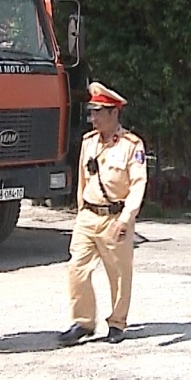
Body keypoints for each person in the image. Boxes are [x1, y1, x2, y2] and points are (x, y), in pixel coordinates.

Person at [59, 82, 147, 345]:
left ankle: (117, 322)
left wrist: (125, 219)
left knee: (118, 273)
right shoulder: (89, 142)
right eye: (91, 112)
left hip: (114, 217)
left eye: (98, 112)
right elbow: (83, 181)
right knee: (77, 268)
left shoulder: (132, 145)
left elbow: (138, 185)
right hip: (89, 215)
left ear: (114, 113)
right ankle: (83, 321)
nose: (93, 118)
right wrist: (80, 212)